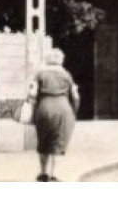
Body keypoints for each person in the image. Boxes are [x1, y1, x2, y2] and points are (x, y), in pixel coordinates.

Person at [29, 49, 78, 181]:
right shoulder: (67, 75)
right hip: (63, 109)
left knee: (43, 140)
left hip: (43, 108)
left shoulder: (39, 74)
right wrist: (74, 112)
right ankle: (54, 174)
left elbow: (32, 94)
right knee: (58, 142)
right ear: (61, 60)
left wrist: (32, 108)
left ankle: (43, 173)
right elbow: (75, 96)